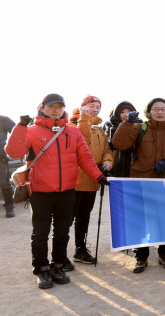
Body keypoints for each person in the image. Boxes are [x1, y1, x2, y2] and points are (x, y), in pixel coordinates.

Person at [5, 93, 108, 289]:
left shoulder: (73, 132)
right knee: (40, 233)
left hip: (67, 190)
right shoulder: (31, 130)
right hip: (41, 191)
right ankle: (42, 269)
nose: (56, 109)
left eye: (60, 106)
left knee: (62, 232)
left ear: (64, 109)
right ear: (42, 107)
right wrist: (20, 127)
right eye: (51, 106)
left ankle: (58, 265)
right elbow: (14, 153)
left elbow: (85, 158)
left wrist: (98, 177)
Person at [111, 97, 165, 273]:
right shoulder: (139, 128)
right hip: (141, 182)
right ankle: (141, 257)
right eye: (156, 109)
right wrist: (127, 124)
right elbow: (119, 143)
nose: (160, 112)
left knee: (164, 219)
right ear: (149, 112)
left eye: (163, 109)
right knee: (141, 220)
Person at [64, 96, 114, 270]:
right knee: (66, 220)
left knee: (83, 218)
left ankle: (80, 249)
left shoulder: (99, 130)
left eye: (98, 106)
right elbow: (82, 140)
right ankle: (60, 254)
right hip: (75, 182)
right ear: (82, 107)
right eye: (91, 105)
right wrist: (83, 118)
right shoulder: (71, 126)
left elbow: (107, 150)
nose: (95, 109)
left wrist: (108, 162)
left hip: (93, 181)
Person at [106, 101, 142, 178]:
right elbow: (111, 146)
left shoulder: (140, 127)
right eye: (122, 112)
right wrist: (115, 128)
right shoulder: (110, 127)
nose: (126, 115)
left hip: (135, 166)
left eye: (129, 112)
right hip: (116, 167)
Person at [0, 115, 16, 217]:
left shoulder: (3, 120)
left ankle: (9, 205)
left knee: (4, 181)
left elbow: (17, 133)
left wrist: (10, 148)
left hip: (0, 156)